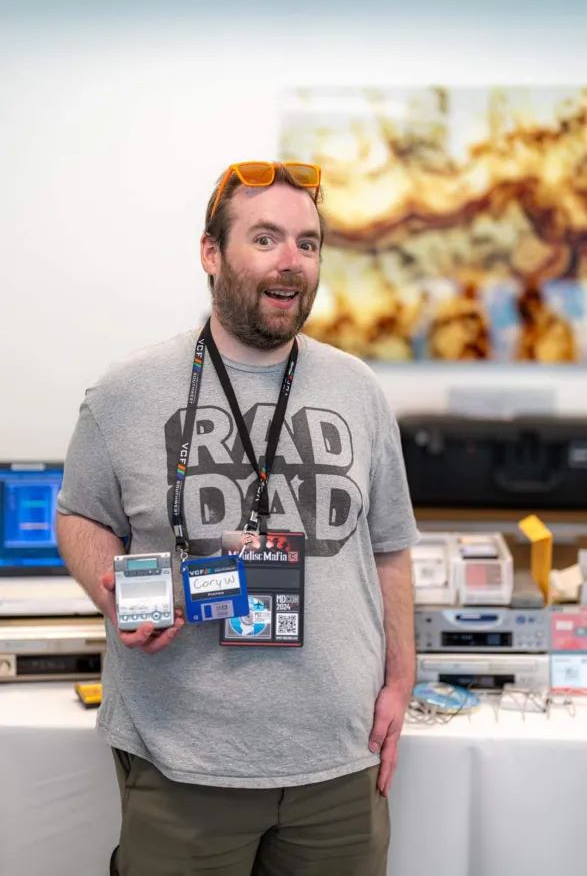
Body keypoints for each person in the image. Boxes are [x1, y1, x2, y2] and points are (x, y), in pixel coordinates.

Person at [56, 160, 419, 876]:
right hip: (180, 763)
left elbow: (389, 546)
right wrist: (111, 586)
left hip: (335, 768)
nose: (291, 262)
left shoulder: (359, 390)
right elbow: (79, 515)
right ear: (211, 253)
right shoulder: (126, 391)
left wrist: (399, 681)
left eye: (308, 243)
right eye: (266, 238)